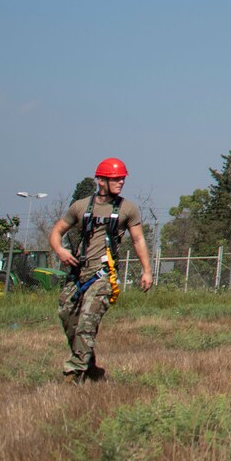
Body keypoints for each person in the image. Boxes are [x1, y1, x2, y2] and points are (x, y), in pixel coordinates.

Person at [48, 156, 153, 381]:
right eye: (116, 179)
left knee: (87, 321)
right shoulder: (80, 206)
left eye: (122, 179)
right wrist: (60, 251)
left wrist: (147, 271)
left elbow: (138, 240)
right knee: (68, 315)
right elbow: (56, 232)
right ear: (101, 180)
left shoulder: (127, 209)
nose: (121, 182)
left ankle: (73, 373)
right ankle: (91, 368)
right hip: (78, 273)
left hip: (103, 276)